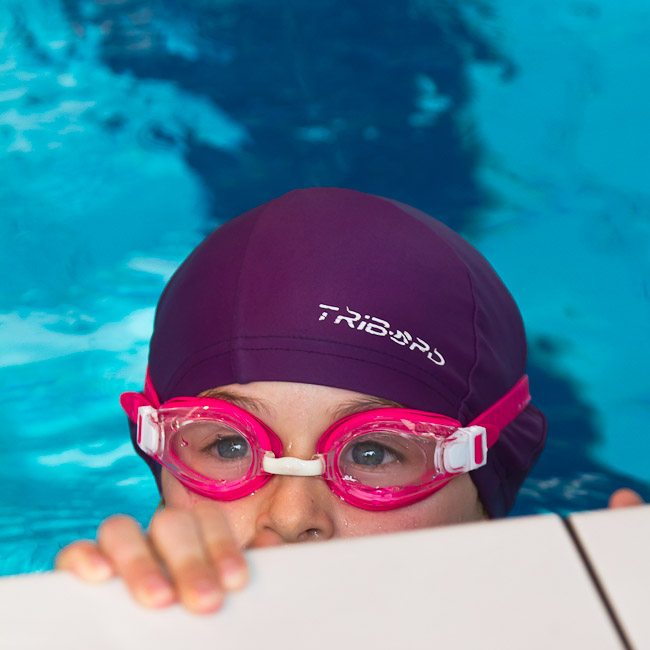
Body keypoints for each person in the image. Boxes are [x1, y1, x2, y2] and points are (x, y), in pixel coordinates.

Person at [56, 187, 640, 613]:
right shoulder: (116, 610)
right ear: (160, 455)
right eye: (228, 444)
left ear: (491, 481)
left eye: (373, 453)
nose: (290, 518)